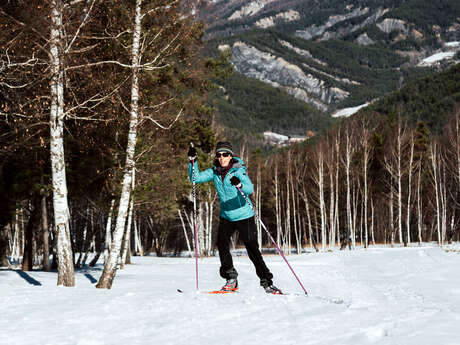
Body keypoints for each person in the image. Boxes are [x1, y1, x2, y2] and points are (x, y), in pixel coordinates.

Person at [187, 141, 282, 294]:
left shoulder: (238, 171)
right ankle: (231, 279)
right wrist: (193, 161)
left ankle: (267, 283)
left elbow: (249, 188)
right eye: (219, 155)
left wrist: (239, 184)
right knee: (221, 245)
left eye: (225, 154)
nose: (222, 157)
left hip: (245, 215)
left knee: (253, 250)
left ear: (231, 156)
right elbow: (195, 178)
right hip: (227, 217)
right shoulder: (215, 172)